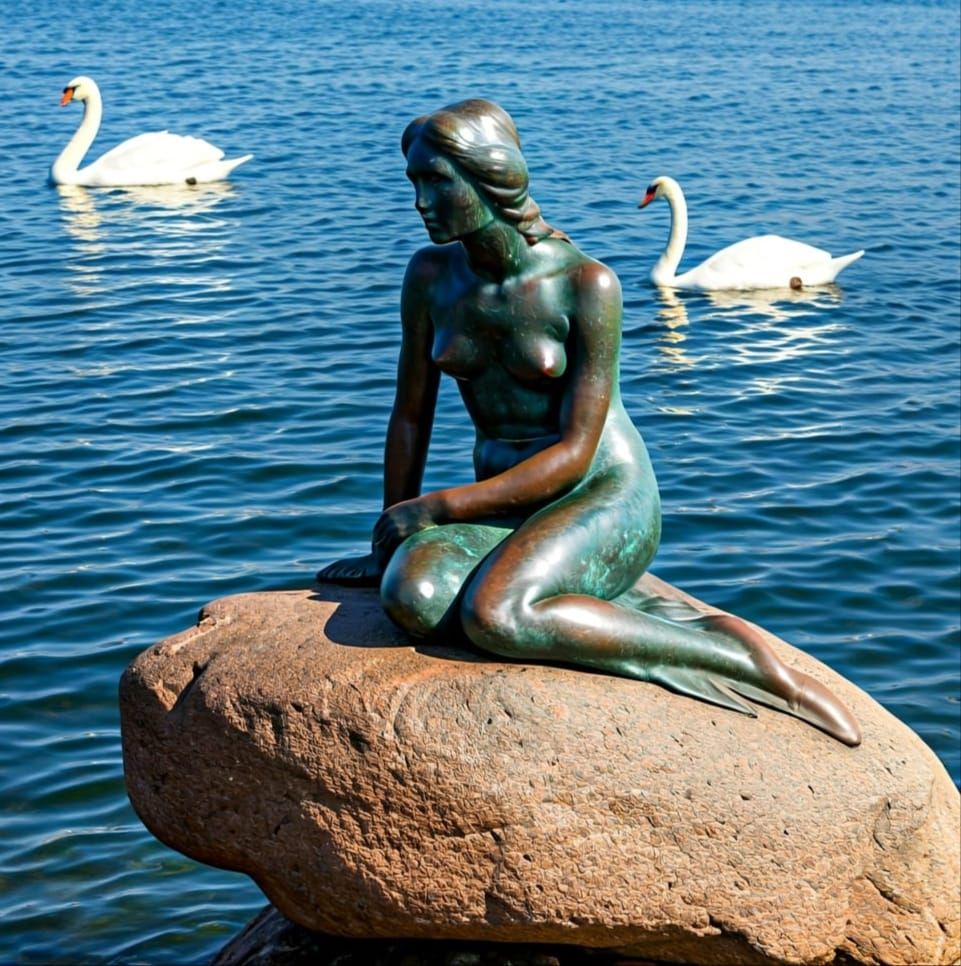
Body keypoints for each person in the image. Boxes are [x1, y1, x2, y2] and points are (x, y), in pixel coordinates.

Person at [317, 98, 860, 747]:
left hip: (597, 493)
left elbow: (576, 451)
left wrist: (434, 508)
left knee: (498, 615)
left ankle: (732, 653)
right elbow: (410, 415)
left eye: (435, 181)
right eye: (413, 182)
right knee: (415, 596)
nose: (419, 201)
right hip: (502, 499)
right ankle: (575, 596)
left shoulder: (585, 283)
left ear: (489, 178)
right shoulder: (430, 276)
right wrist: (391, 529)